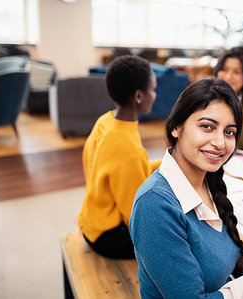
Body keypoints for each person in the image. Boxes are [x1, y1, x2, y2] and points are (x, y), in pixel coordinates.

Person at [129, 78, 243, 298]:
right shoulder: (154, 205)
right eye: (207, 127)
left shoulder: (208, 181)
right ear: (176, 127)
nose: (220, 143)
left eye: (229, 132)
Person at [77, 55, 161, 259]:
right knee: (173, 234)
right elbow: (136, 215)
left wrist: (168, 162)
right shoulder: (128, 148)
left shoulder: (106, 121)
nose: (155, 95)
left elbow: (124, 168)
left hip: (91, 221)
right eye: (153, 89)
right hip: (108, 237)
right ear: (139, 96)